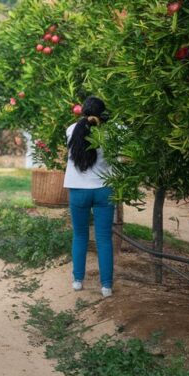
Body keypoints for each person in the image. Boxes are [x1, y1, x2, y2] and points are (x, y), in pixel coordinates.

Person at [65, 96, 115, 298]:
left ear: (83, 111)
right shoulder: (111, 131)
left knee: (80, 236)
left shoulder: (71, 130)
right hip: (104, 189)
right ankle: (106, 286)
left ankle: (78, 281)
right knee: (104, 239)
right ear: (102, 112)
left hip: (78, 190)